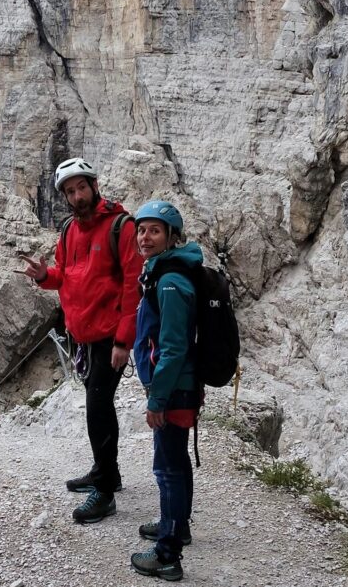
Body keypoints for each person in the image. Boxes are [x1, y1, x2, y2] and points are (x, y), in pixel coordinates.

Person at [18, 157, 144, 524]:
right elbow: (68, 277)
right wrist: (45, 276)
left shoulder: (121, 226)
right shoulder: (70, 230)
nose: (77, 196)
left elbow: (132, 286)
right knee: (99, 407)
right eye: (70, 191)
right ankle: (108, 472)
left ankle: (104, 492)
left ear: (93, 186)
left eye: (81, 187)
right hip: (84, 336)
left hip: (109, 337)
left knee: (97, 410)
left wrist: (124, 341)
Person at [129, 199, 203, 582]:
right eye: (142, 230)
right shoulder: (164, 272)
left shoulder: (171, 281)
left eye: (154, 230)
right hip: (180, 388)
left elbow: (172, 347)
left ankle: (167, 555)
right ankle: (177, 527)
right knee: (176, 463)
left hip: (173, 390)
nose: (145, 236)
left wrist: (156, 399)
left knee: (168, 469)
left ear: (171, 236)